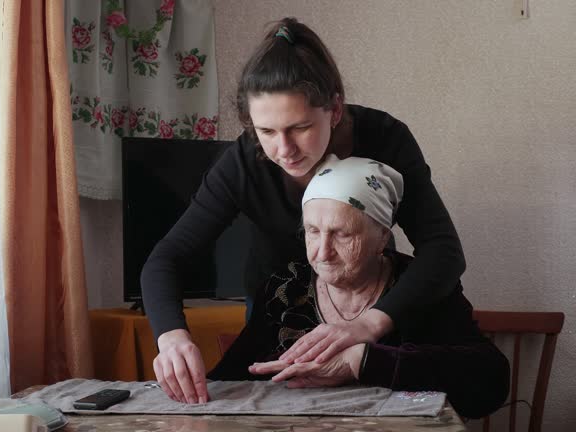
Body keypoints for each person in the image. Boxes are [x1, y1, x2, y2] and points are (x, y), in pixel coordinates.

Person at [141, 17, 466, 405]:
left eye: (299, 127)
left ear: (335, 109)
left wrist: (368, 323)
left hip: (367, 299)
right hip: (276, 311)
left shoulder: (385, 138)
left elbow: (443, 250)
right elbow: (167, 258)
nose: (283, 150)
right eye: (266, 132)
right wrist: (172, 336)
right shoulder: (243, 163)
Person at [207, 155, 510, 419]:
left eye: (342, 234)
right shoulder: (285, 287)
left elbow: (491, 382)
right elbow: (234, 376)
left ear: (381, 237)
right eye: (313, 231)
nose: (322, 252)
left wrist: (363, 362)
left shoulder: (419, 287)